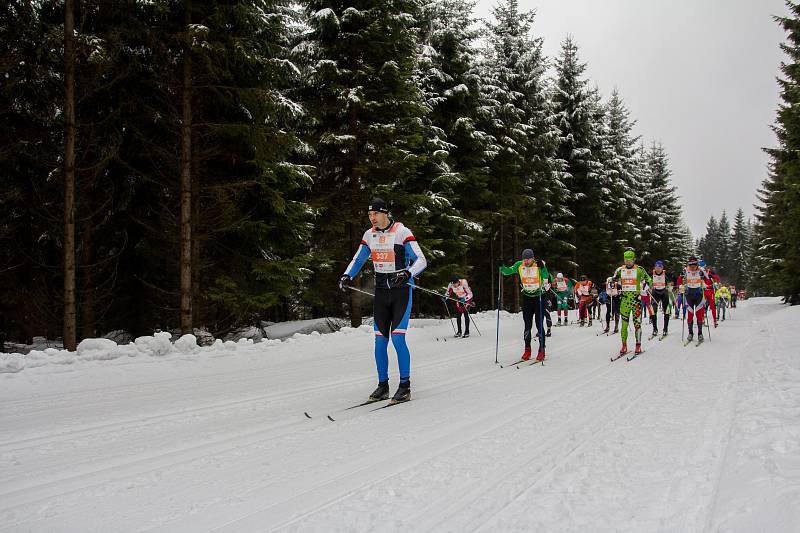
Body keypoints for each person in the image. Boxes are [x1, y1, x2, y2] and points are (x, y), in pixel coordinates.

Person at [340, 198, 427, 404]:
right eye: (369, 215)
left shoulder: (402, 232)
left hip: (401, 292)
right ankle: (383, 385)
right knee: (380, 341)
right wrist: (346, 275)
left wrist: (407, 273)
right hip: (381, 293)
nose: (372, 219)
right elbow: (358, 259)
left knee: (397, 338)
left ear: (385, 213)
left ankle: (405, 386)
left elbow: (421, 260)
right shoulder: (369, 235)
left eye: (375, 214)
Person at [499, 249, 553, 362]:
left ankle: (541, 350)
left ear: (532, 258)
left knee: (539, 324)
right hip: (527, 298)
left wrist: (542, 267)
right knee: (527, 325)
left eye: (528, 259)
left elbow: (546, 277)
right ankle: (527, 350)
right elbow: (507, 272)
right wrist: (502, 266)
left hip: (539, 297)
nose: (526, 261)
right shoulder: (519, 265)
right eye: (524, 259)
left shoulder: (538, 264)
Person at [611, 249, 652, 355]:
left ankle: (638, 345)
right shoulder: (620, 270)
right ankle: (624, 345)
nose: (628, 262)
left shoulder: (639, 269)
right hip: (624, 301)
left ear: (634, 259)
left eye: (630, 260)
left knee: (637, 324)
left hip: (636, 301)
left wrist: (644, 286)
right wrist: (613, 283)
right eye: (626, 260)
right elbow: (613, 280)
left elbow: (649, 280)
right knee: (624, 325)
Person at [677, 256, 708, 343]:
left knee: (699, 315)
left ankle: (700, 334)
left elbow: (709, 280)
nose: (692, 267)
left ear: (697, 264)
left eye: (694, 264)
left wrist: (705, 283)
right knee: (690, 315)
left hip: (699, 295)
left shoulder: (701, 270)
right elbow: (679, 281)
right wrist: (681, 286)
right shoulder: (685, 270)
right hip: (689, 295)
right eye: (691, 265)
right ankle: (690, 333)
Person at [649, 260, 673, 338]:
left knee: (666, 311)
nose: (658, 269)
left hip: (664, 293)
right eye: (656, 267)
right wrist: (647, 286)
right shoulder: (652, 274)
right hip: (655, 293)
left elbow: (672, 282)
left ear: (662, 267)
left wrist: (670, 286)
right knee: (653, 311)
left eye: (660, 267)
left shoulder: (665, 274)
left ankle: (665, 329)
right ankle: (654, 329)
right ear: (654, 267)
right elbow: (647, 282)